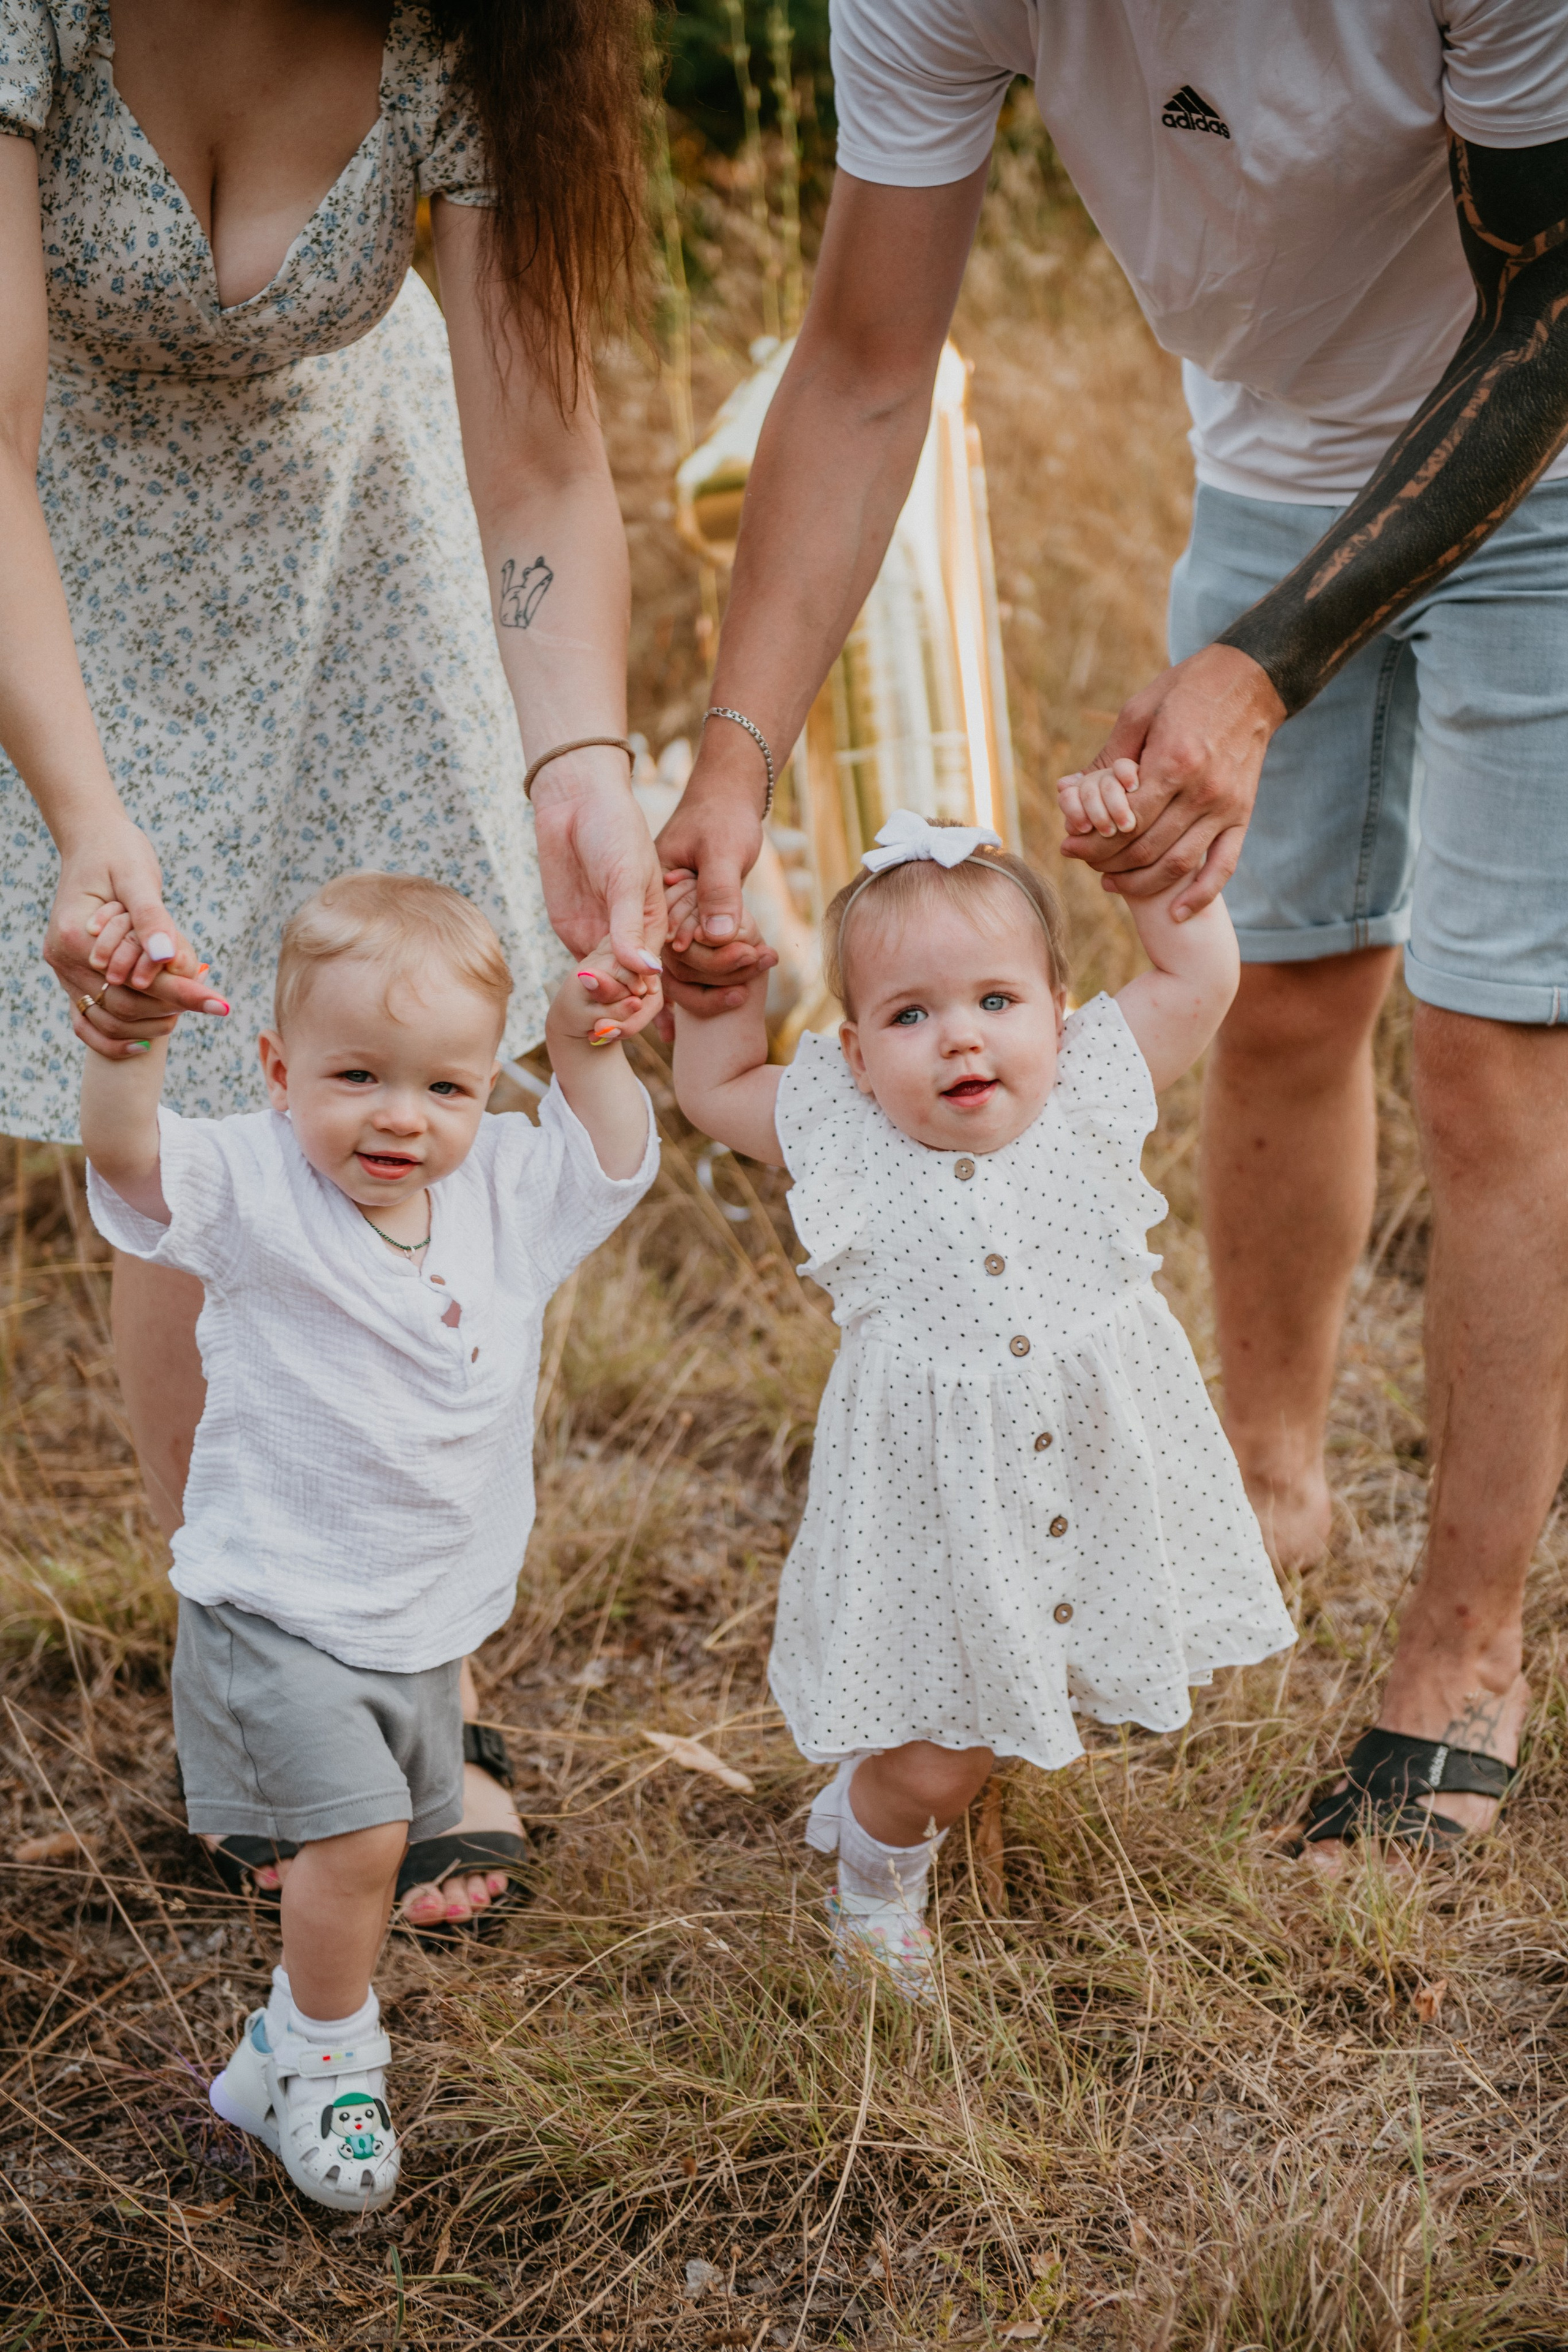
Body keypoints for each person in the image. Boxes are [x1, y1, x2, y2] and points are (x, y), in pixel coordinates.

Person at [657, 2, 1568, 1858]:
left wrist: (1259, 674)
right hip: (1266, 473)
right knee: (1286, 997)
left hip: (1551, 477)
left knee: (1492, 1054)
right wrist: (732, 758)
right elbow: (857, 367)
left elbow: (1555, 307)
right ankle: (1267, 1485)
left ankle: (1467, 1649)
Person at [0, 0, 665, 1921]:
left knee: (407, 1072)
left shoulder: (472, 34)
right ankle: (269, 1689)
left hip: (361, 547)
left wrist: (582, 766)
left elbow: (538, 468)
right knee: (204, 1116)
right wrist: (87, 815)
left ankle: (417, 1669)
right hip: (70, 571)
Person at [79, 872, 660, 2211]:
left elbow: (609, 1154)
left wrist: (586, 1043)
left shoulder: (502, 1195)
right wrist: (128, 1049)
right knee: (363, 1846)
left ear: (484, 1089)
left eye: (445, 1089)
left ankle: (266, 2054)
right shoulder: (254, 1181)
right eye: (356, 1076)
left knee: (382, 1838)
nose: (401, 1118)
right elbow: (128, 1160)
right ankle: (334, 2062)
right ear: (280, 1070)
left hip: (421, 1612)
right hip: (274, 1605)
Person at [656, 807, 1292, 1992]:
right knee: (946, 1751)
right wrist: (716, 995)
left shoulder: (1091, 1083)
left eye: (997, 1002)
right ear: (852, 1052)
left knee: (1038, 1690)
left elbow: (1198, 974)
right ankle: (876, 1890)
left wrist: (1141, 872)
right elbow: (715, 1089)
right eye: (911, 1015)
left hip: (1081, 1477)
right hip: (931, 1515)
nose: (961, 1040)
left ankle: (901, 1811)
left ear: (1059, 1009)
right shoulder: (843, 1131)